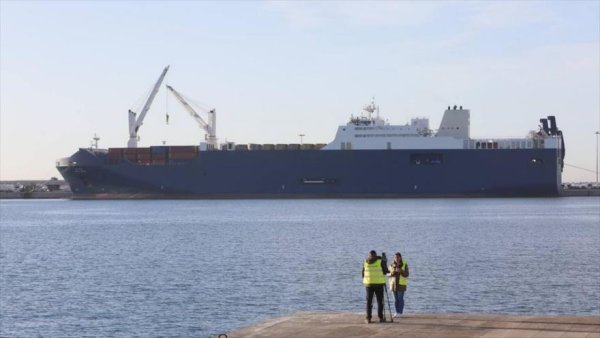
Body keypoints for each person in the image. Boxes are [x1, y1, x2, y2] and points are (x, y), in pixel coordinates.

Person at [362, 250, 389, 323]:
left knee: (369, 302)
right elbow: (386, 271)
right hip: (379, 284)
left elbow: (363, 274)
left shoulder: (365, 262)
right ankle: (380, 317)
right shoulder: (380, 261)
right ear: (376, 255)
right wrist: (384, 262)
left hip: (368, 284)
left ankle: (368, 318)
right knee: (380, 301)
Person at [388, 252, 409, 318]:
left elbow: (407, 274)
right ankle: (396, 312)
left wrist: (401, 271)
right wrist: (393, 272)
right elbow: (388, 274)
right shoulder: (391, 264)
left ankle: (400, 312)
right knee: (395, 299)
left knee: (400, 298)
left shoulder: (404, 264)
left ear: (400, 258)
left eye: (398, 257)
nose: (396, 258)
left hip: (401, 284)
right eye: (395, 257)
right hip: (393, 284)